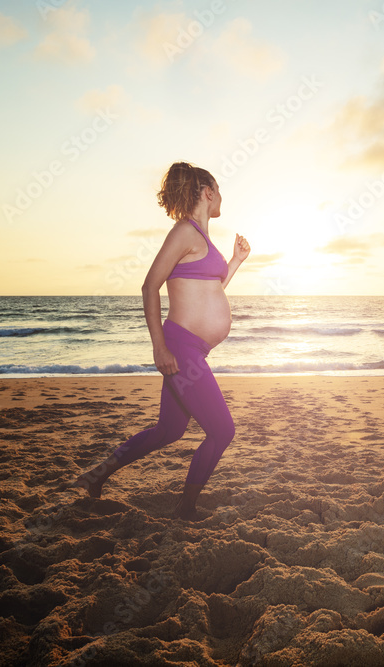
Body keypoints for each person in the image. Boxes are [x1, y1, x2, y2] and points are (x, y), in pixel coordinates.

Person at [74, 161, 250, 520]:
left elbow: (208, 293)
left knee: (169, 429)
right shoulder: (184, 232)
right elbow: (150, 285)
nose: (222, 199)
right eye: (219, 192)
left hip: (193, 349)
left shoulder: (202, 239)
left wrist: (235, 261)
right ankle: (185, 507)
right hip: (181, 348)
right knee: (222, 431)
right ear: (207, 192)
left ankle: (95, 477)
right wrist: (160, 348)